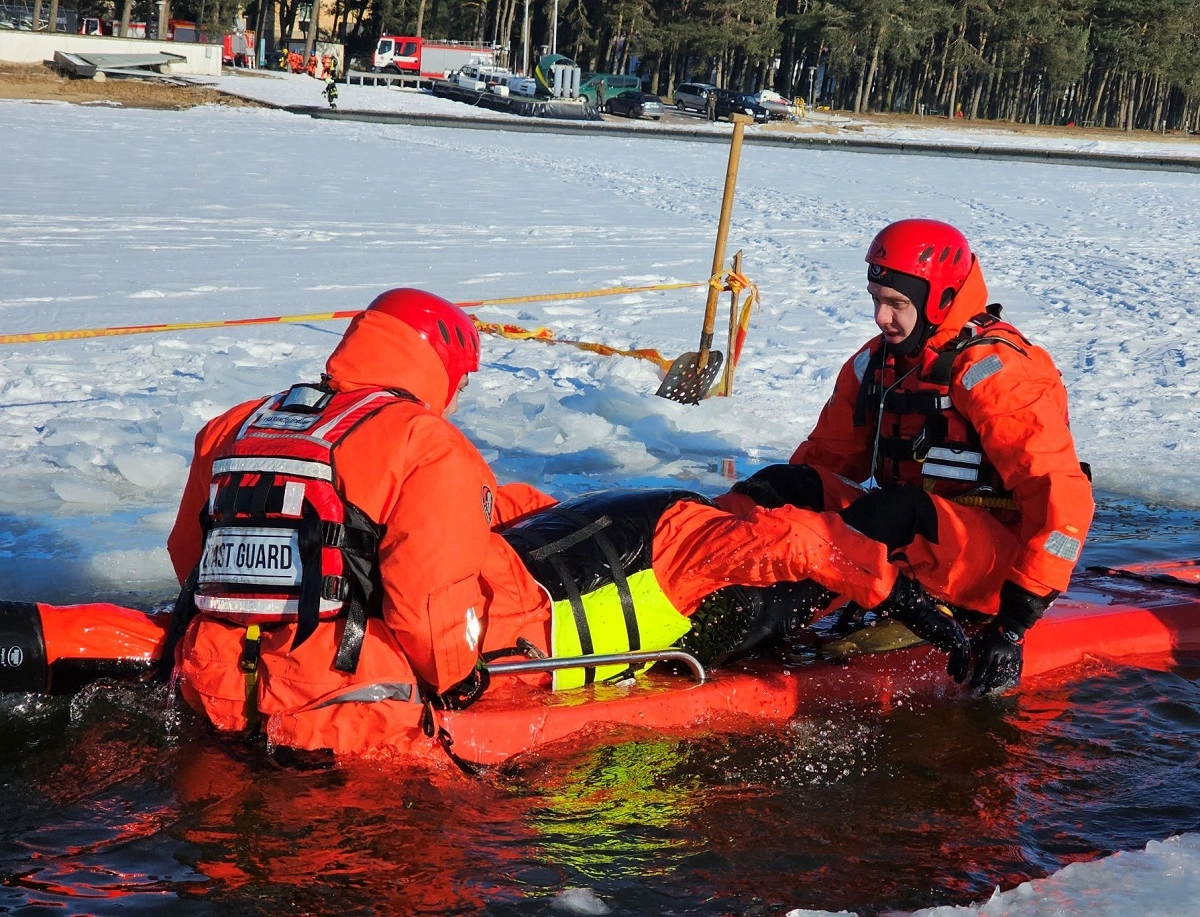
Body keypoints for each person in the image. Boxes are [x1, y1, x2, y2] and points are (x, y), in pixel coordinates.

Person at [160, 287, 966, 756]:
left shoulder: (246, 418)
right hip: (419, 673)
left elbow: (188, 554)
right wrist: (914, 607)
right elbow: (797, 541)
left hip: (230, 669)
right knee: (775, 595)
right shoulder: (423, 440)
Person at [721, 219, 1094, 694]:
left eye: (896, 304)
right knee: (787, 483)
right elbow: (823, 461)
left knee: (895, 509)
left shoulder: (998, 375)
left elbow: (1065, 500)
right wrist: (764, 509)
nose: (881, 317)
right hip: (917, 545)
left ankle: (746, 627)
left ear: (937, 301)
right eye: (876, 300)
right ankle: (712, 577)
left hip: (992, 572)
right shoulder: (875, 363)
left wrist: (1014, 625)